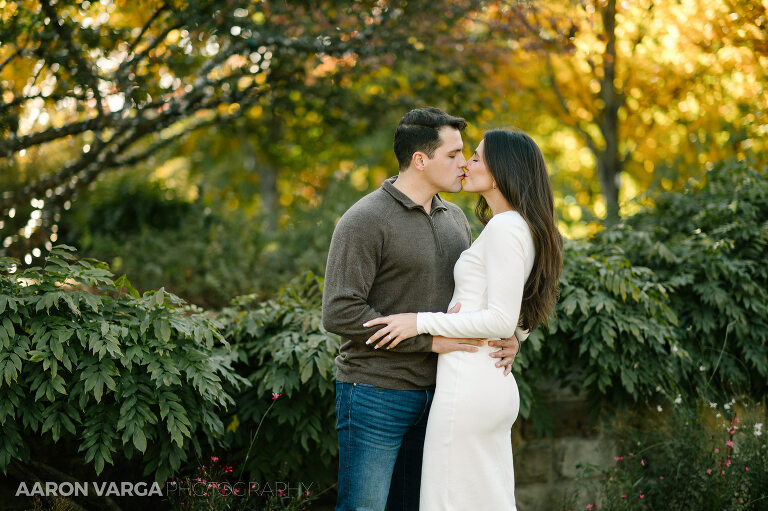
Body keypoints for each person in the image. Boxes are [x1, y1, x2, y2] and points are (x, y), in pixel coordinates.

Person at [322, 108, 524, 511]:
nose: (463, 163)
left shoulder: (456, 219)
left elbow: (480, 295)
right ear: (420, 159)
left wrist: (513, 335)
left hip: (440, 394)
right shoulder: (364, 219)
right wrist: (430, 342)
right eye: (453, 155)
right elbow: (340, 311)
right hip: (375, 392)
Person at [364, 128, 564, 510]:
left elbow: (501, 318)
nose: (466, 164)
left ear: (503, 169)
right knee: (485, 498)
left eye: (475, 157)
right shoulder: (518, 225)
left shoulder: (506, 227)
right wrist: (517, 336)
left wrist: (419, 322)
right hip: (487, 381)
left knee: (447, 500)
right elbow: (519, 306)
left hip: (468, 384)